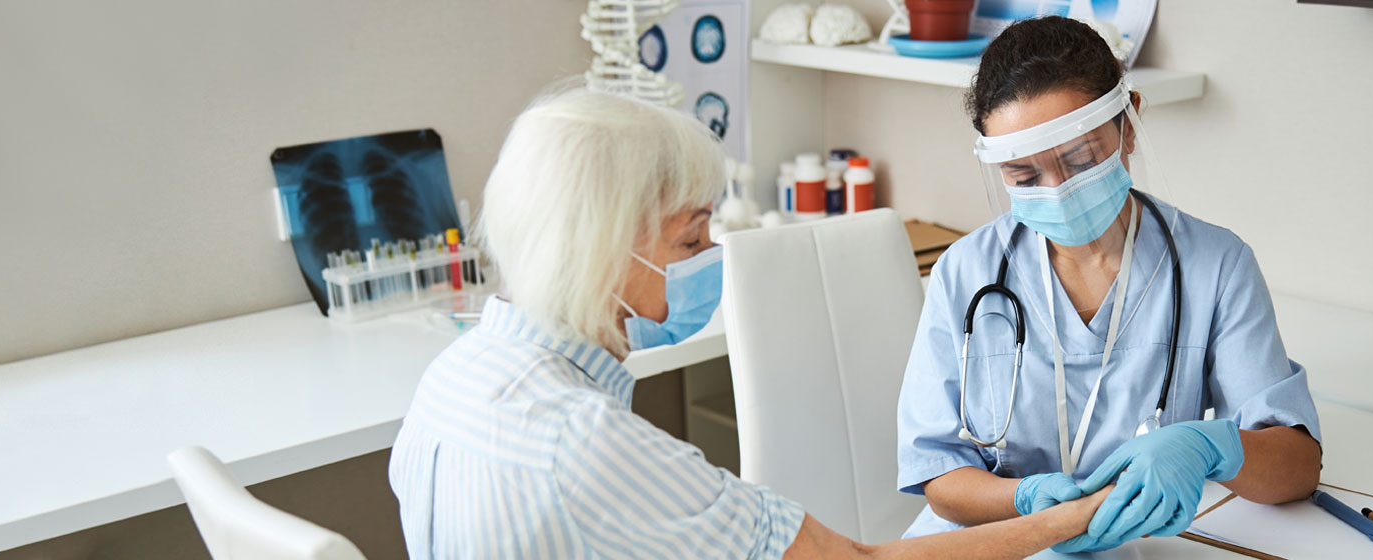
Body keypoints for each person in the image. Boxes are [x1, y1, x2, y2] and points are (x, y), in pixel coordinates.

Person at [389, 86, 1113, 559]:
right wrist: (1074, 516)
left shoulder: (451, 381)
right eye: (690, 239)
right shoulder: (588, 444)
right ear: (604, 250)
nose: (714, 257)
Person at [895, 17, 1323, 553]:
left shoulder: (1216, 266)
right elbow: (940, 476)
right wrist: (1024, 499)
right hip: (992, 542)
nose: (1058, 190)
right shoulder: (966, 271)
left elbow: (1298, 469)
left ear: (1129, 121)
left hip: (1144, 543)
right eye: (1024, 177)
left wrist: (1210, 447)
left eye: (1081, 159)